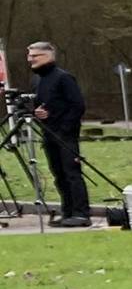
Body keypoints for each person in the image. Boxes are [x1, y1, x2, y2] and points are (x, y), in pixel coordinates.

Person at [23, 42, 92, 228]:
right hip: (48, 133)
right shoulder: (37, 80)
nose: (30, 59)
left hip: (66, 135)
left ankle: (81, 213)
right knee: (58, 174)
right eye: (29, 55)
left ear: (48, 56)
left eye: (35, 55)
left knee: (72, 173)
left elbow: (77, 105)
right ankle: (67, 211)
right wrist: (37, 112)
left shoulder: (64, 78)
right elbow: (38, 104)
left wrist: (65, 127)